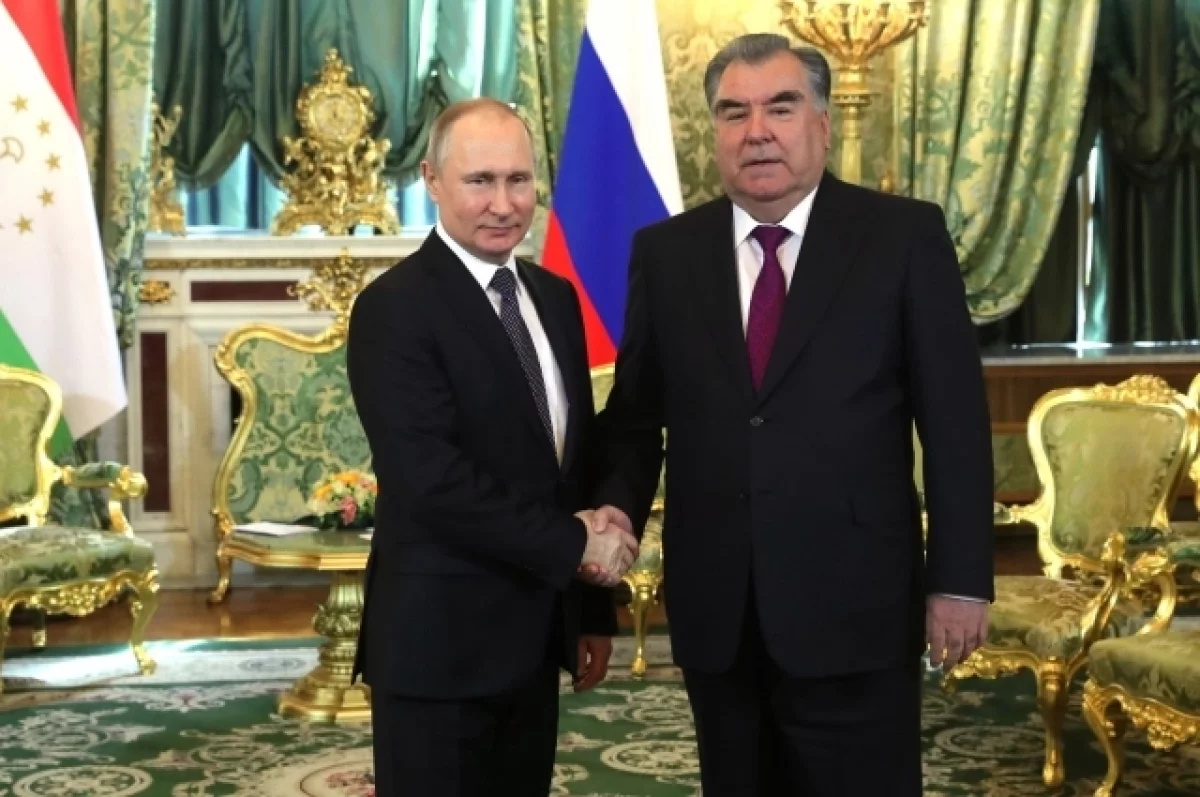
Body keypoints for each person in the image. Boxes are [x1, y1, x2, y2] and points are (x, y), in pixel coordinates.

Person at [587, 34, 995, 795]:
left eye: (780, 107)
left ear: (822, 123)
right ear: (714, 131)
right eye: (733, 112)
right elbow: (637, 418)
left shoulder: (902, 237)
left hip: (858, 602)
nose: (757, 131)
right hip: (719, 608)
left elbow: (956, 424)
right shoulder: (667, 253)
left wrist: (962, 581)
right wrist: (614, 511)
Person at [347, 98, 639, 797]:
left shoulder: (554, 297)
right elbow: (430, 480)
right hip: (439, 649)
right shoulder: (395, 307)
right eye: (480, 180)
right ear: (431, 179)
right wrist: (576, 546)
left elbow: (571, 467)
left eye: (519, 180)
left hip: (535, 639)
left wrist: (591, 609)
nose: (504, 204)